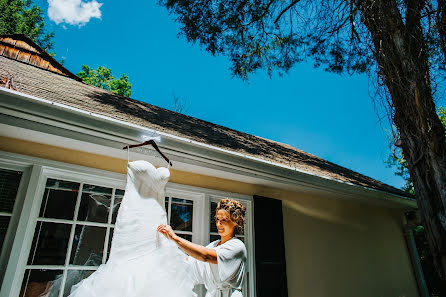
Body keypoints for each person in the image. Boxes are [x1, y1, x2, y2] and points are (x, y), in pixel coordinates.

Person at [157, 198, 247, 297]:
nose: (218, 224)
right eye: (217, 219)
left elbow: (205, 256)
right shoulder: (214, 245)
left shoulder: (237, 246)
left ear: (235, 222)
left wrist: (174, 238)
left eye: (224, 220)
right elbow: (191, 262)